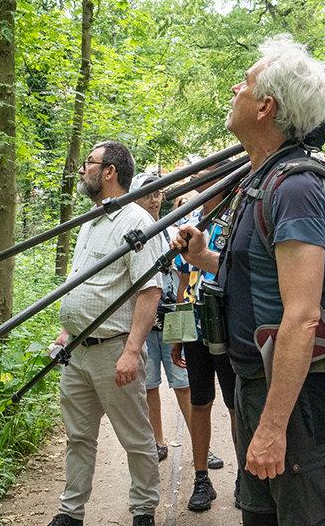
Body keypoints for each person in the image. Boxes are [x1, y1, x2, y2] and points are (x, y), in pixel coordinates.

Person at [171, 34, 325, 526]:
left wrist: (272, 425)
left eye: (243, 83)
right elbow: (259, 277)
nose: (234, 89)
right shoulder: (260, 182)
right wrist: (205, 257)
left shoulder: (296, 188)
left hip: (292, 399)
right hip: (256, 386)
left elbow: (303, 313)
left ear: (267, 106)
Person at [50, 141, 161, 526]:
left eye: (89, 163)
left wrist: (132, 351)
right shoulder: (91, 220)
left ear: (110, 171)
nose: (82, 170)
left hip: (113, 350)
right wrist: (67, 331)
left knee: (135, 437)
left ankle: (143, 511)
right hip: (76, 352)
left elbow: (150, 290)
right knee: (78, 437)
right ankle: (70, 512)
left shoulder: (137, 223)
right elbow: (82, 284)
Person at [170, 165, 235, 513]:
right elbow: (182, 285)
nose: (201, 182)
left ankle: (246, 479)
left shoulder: (237, 216)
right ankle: (201, 480)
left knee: (236, 403)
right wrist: (178, 335)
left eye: (209, 176)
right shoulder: (190, 218)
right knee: (200, 401)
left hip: (228, 324)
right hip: (195, 326)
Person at [131, 174, 194, 464]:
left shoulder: (173, 228)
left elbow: (186, 275)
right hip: (144, 321)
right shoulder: (131, 232)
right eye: (148, 195)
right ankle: (158, 441)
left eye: (158, 194)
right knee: (150, 384)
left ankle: (200, 442)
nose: (154, 200)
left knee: (183, 381)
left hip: (173, 315)